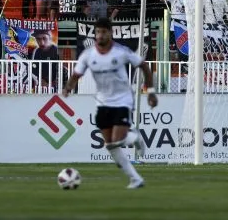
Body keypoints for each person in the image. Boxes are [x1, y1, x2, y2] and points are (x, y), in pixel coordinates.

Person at [62, 16, 157, 189]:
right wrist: (68, 88)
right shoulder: (88, 55)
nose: (100, 35)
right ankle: (136, 179)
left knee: (116, 140)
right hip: (103, 102)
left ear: (110, 33)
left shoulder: (121, 51)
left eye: (104, 32)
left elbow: (144, 66)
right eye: (98, 32)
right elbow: (76, 75)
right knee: (111, 146)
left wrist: (150, 91)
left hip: (123, 100)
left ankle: (135, 137)